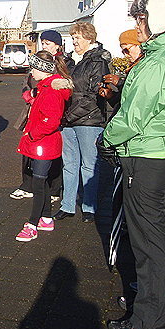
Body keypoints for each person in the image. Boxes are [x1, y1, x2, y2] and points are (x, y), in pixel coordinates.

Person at [101, 0, 165, 329]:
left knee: (149, 243)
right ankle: (151, 313)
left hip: (147, 159)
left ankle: (148, 320)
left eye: (142, 19)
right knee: (156, 237)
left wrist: (106, 140)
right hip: (161, 154)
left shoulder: (159, 63)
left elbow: (133, 115)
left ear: (157, 22)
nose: (138, 25)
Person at [54, 22, 111, 223]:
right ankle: (67, 205)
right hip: (68, 121)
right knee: (69, 164)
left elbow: (93, 95)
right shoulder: (68, 61)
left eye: (77, 37)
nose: (74, 41)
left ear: (89, 38)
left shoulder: (98, 61)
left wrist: (70, 115)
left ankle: (89, 207)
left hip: (89, 120)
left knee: (89, 165)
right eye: (73, 37)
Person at [15, 51, 72, 242]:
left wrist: (32, 134)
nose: (31, 71)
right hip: (43, 143)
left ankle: (32, 224)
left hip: (43, 144)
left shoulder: (50, 91)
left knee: (38, 185)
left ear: (43, 69)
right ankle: (46, 218)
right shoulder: (45, 87)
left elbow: (51, 121)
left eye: (34, 67)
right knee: (42, 182)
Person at [10, 30, 67, 201]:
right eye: (43, 42)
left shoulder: (63, 63)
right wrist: (29, 92)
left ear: (57, 45)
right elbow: (27, 79)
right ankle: (28, 185)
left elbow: (64, 86)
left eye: (48, 43)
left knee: (51, 153)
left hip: (52, 113)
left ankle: (53, 190)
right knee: (28, 147)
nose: (44, 46)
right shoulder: (38, 60)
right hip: (35, 107)